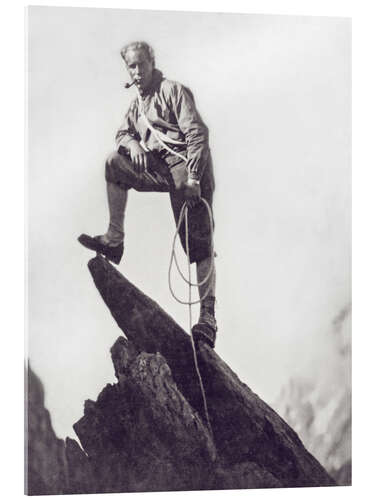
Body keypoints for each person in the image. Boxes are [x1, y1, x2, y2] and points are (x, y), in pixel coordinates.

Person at [79, 41, 217, 347]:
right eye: (131, 66)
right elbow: (122, 133)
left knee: (196, 242)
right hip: (160, 168)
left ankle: (208, 318)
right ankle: (114, 240)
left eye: (141, 64)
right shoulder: (136, 106)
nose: (137, 71)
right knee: (113, 164)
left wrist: (194, 177)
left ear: (152, 63)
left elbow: (197, 134)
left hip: (187, 168)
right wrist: (133, 144)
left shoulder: (172, 91)